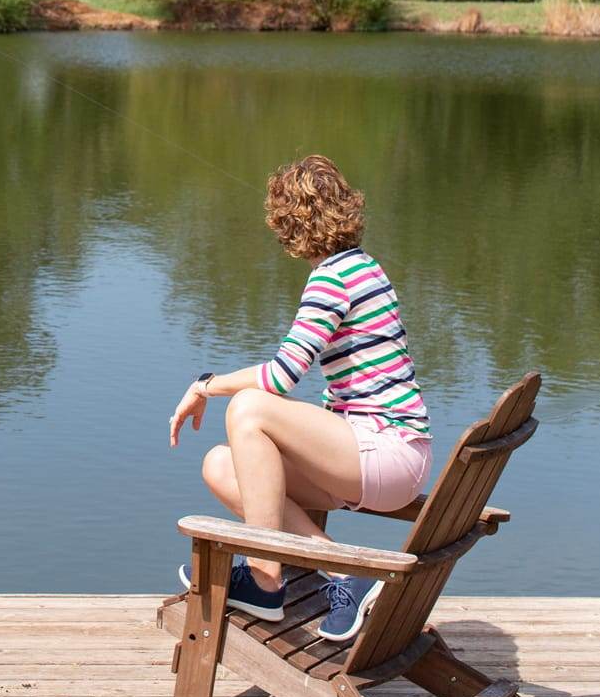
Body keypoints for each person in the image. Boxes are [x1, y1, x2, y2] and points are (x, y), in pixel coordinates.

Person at [168, 154, 432, 643]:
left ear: (287, 224)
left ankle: (265, 579)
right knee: (221, 466)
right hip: (379, 455)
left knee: (249, 408)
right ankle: (341, 570)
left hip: (385, 451)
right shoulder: (364, 266)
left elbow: (281, 376)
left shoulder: (333, 277)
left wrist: (205, 385)